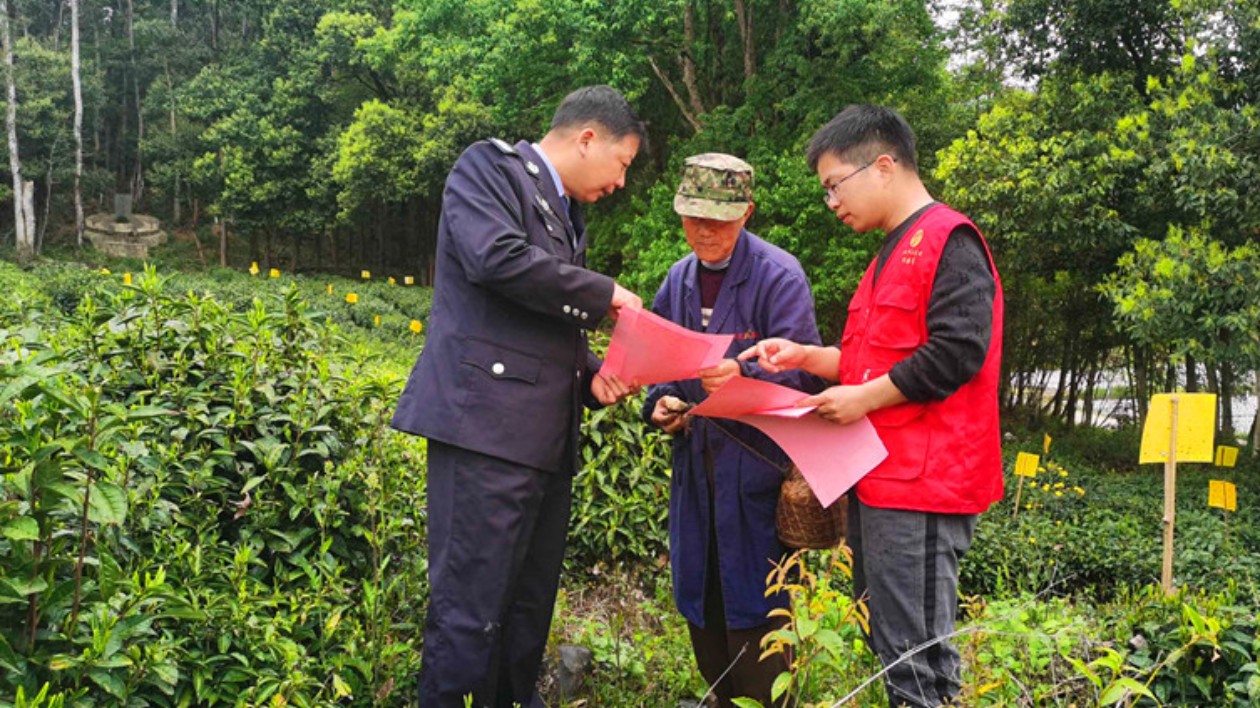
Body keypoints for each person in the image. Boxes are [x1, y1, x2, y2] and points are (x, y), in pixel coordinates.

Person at [739, 105, 1004, 707]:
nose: (832, 203)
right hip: (882, 481)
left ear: (883, 166)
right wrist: (806, 357)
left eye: (835, 185)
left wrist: (862, 399)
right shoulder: (888, 252)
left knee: (919, 658)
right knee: (888, 642)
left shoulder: (947, 239)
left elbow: (957, 350)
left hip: (925, 485)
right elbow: (868, 360)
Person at [391, 85, 646, 708]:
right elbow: (495, 259)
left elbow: (540, 327)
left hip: (541, 444)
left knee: (525, 612)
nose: (619, 184)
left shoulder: (566, 213)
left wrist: (591, 375)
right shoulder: (489, 168)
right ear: (588, 138)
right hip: (484, 431)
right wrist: (604, 293)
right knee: (468, 611)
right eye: (621, 165)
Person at [643, 153, 824, 707]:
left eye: (718, 219)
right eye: (693, 217)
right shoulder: (678, 279)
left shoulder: (777, 276)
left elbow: (806, 373)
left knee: (761, 620)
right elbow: (653, 360)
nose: (704, 231)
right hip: (697, 475)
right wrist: (660, 403)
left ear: (746, 212)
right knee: (703, 610)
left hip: (756, 478)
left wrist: (743, 370)